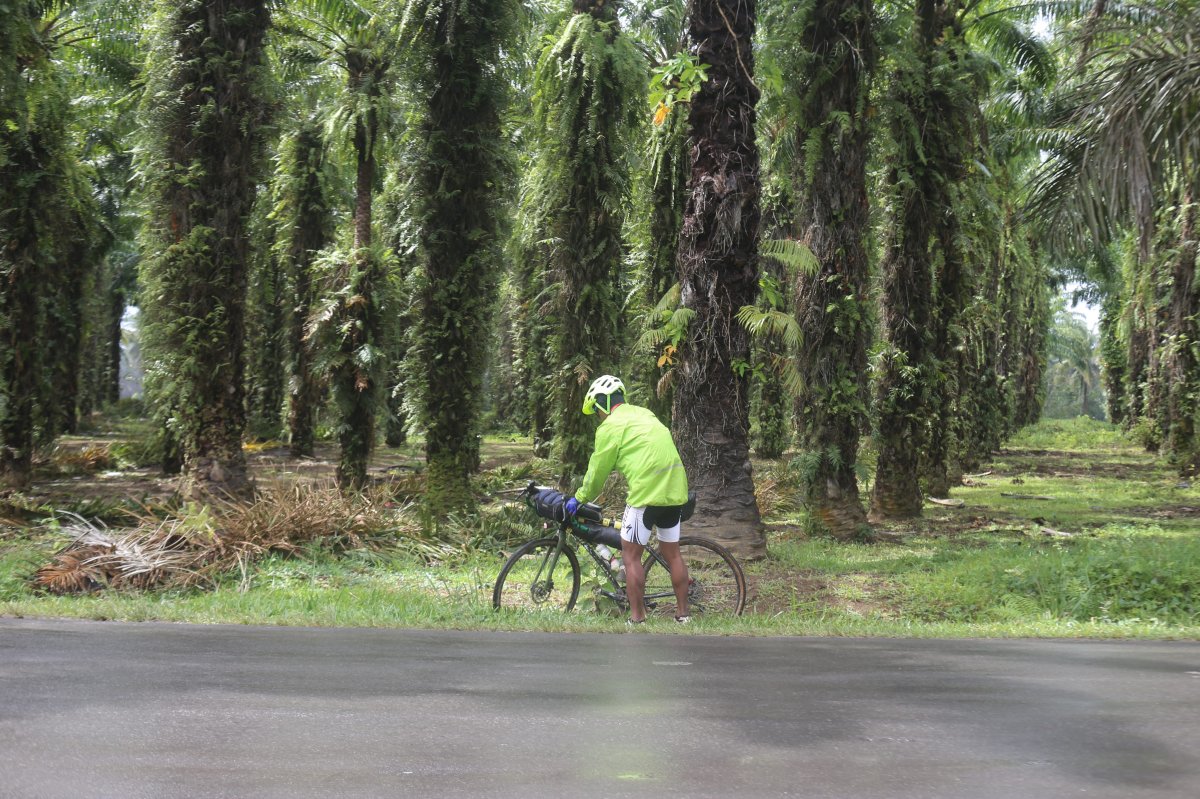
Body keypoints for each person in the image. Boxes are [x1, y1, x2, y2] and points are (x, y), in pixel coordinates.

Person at [564, 375, 691, 624]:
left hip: (646, 493)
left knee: (631, 557)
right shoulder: (645, 414)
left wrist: (578, 498)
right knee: (673, 555)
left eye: (597, 411)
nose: (599, 417)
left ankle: (637, 618)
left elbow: (597, 473)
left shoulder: (609, 427)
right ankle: (684, 615)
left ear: (601, 404)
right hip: (676, 489)